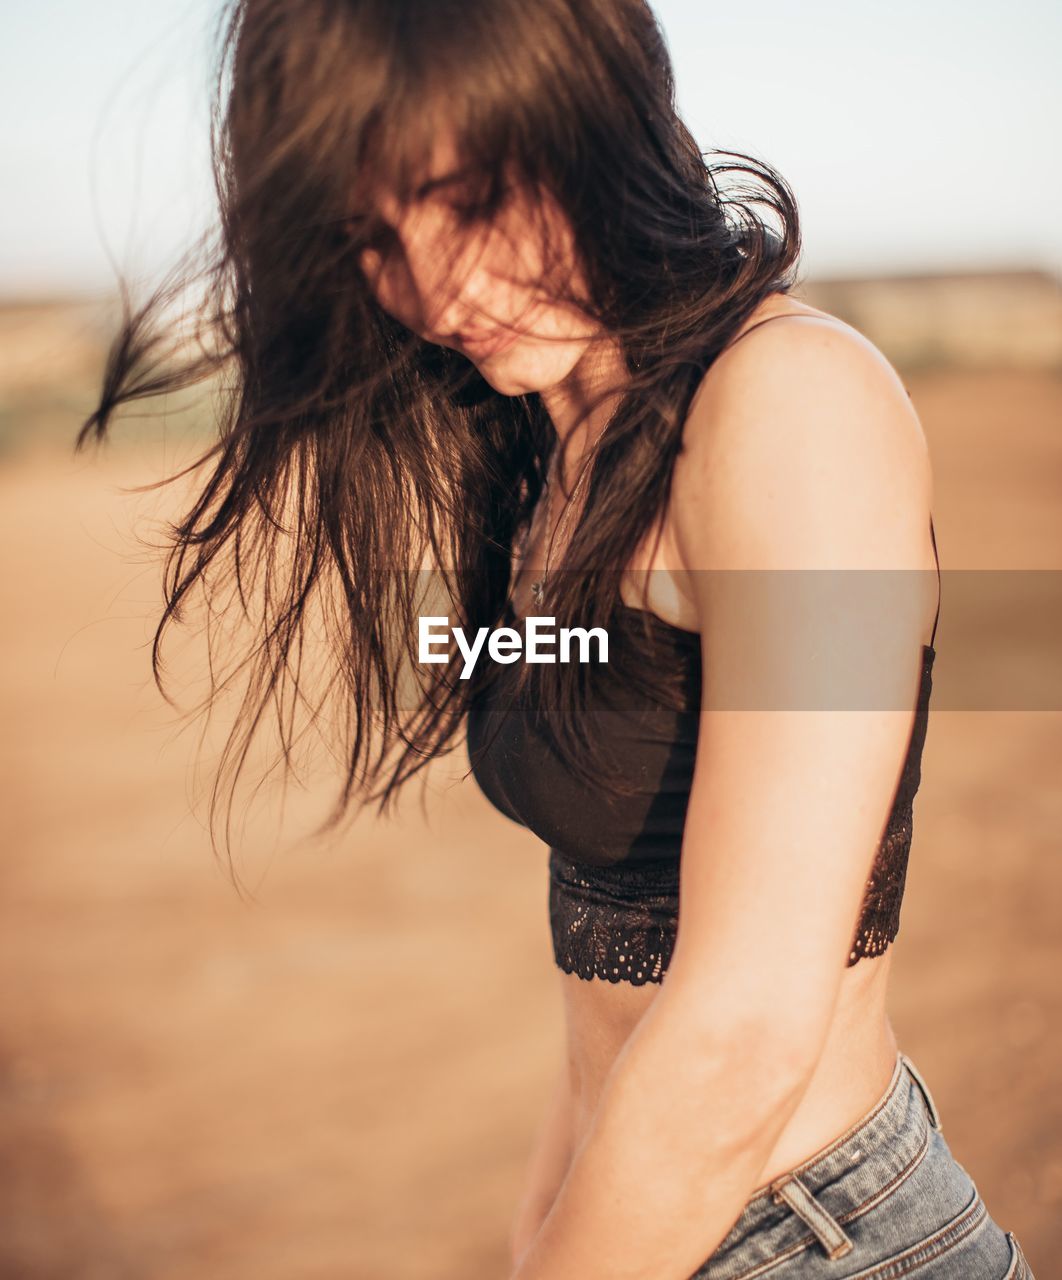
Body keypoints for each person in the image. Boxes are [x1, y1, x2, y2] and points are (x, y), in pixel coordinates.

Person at [79, 1, 1034, 1276]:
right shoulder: (543, 448)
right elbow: (604, 955)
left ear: (595, 117)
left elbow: (744, 1026)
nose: (431, 286)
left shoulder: (792, 407)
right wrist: (540, 1227)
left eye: (467, 196)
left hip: (819, 1239)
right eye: (373, 233)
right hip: (641, 1208)